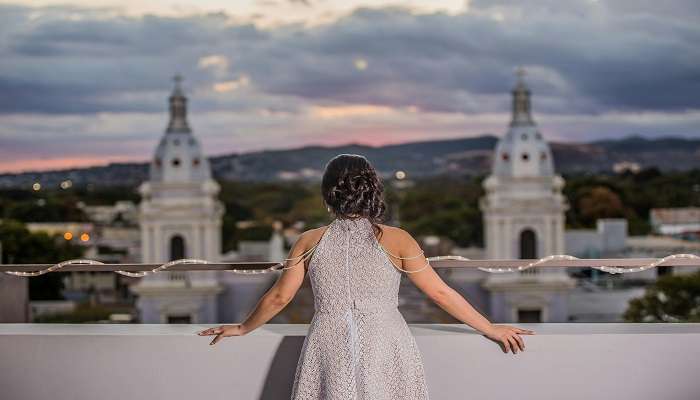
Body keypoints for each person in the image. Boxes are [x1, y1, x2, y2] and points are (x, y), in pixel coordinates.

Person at [197, 154, 535, 399]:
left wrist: (243, 328)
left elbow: (280, 297)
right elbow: (441, 294)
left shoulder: (308, 241)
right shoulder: (398, 239)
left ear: (328, 195)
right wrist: (490, 328)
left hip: (328, 341)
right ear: (373, 190)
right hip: (385, 341)